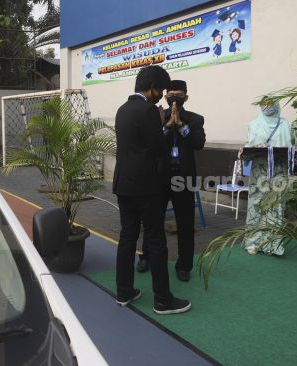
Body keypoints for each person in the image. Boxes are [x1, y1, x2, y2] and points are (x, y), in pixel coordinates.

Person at [112, 65, 191, 315]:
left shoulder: (122, 109)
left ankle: (124, 292)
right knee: (156, 240)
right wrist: (162, 125)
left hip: (123, 184)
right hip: (146, 186)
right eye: (161, 91)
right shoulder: (147, 111)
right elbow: (158, 148)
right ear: (151, 88)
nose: (162, 96)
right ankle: (163, 300)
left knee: (127, 238)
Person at [136, 80, 206, 282]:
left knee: (185, 223)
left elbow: (198, 143)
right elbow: (150, 144)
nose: (174, 97)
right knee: (152, 221)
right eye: (171, 94)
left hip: (184, 178)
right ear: (165, 97)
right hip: (159, 177)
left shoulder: (195, 119)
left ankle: (184, 265)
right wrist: (167, 127)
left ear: (186, 97)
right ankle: (147, 257)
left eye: (179, 94)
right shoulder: (156, 116)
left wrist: (181, 125)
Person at [243, 101, 295, 255]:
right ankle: (253, 241)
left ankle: (272, 244)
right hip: (259, 170)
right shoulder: (253, 124)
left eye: (270, 103)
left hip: (279, 169)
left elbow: (292, 145)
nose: (267, 106)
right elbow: (248, 145)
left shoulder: (287, 125)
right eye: (263, 103)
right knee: (257, 204)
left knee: (277, 205)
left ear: (277, 104)